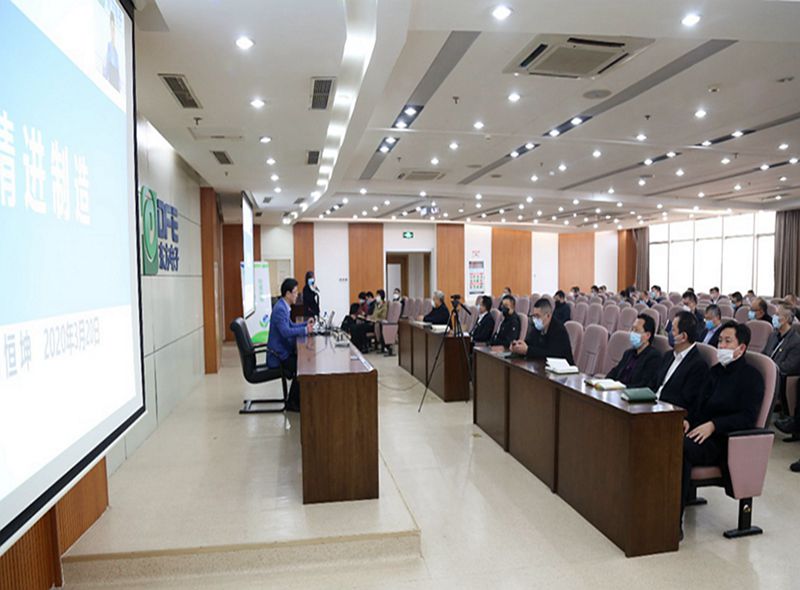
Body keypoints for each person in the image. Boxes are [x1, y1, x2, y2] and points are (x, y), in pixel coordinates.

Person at [681, 321, 764, 529]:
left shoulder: (751, 377)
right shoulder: (715, 371)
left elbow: (747, 417)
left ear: (741, 348)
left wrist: (714, 425)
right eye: (720, 341)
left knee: (679, 449)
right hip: (700, 432)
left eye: (728, 341)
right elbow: (699, 404)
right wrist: (689, 420)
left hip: (724, 440)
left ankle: (672, 520)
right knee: (665, 439)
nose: (722, 346)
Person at [267, 278, 315, 412]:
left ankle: (295, 399)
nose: (297, 295)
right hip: (278, 355)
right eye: (295, 292)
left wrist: (305, 325)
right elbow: (285, 332)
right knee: (302, 367)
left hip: (282, 351)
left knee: (302, 363)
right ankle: (292, 403)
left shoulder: (283, 306)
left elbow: (291, 325)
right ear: (288, 294)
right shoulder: (280, 309)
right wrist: (305, 330)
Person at [653, 312, 707, 413]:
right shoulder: (668, 355)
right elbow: (655, 383)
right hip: (653, 405)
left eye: (673, 330)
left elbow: (685, 401)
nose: (669, 333)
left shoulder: (698, 365)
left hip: (670, 413)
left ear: (683, 337)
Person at [768, 306, 800, 441]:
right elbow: (764, 354)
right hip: (768, 371)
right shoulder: (773, 335)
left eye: (777, 314)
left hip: (779, 375)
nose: (774, 317)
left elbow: (789, 366)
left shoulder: (795, 341)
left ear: (786, 319)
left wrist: (770, 370)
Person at [510, 298, 574, 364]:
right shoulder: (538, 328)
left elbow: (552, 354)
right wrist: (518, 346)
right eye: (534, 316)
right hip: (541, 366)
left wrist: (528, 350)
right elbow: (530, 343)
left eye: (537, 316)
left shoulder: (559, 330)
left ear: (548, 316)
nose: (535, 319)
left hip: (562, 368)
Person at [606, 314, 662, 388]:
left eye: (636, 330)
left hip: (630, 393)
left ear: (647, 335)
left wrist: (621, 387)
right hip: (616, 390)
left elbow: (644, 385)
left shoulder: (654, 357)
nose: (632, 333)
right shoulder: (628, 353)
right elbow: (614, 372)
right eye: (632, 329)